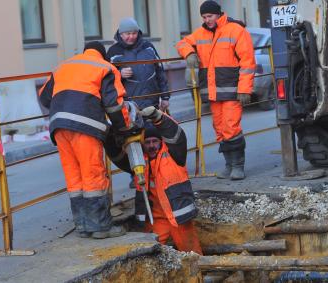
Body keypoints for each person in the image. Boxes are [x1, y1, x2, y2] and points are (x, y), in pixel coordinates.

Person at [38, 41, 131, 239]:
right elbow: (114, 105)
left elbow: (44, 97)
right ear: (102, 55)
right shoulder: (106, 68)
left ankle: (82, 225)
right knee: (93, 174)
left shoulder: (64, 66)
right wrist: (123, 129)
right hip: (85, 125)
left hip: (59, 126)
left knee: (74, 176)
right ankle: (100, 228)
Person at [104, 106, 203, 255]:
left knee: (192, 253)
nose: (151, 146)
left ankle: (198, 274)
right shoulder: (139, 161)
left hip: (178, 217)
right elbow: (117, 156)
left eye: (154, 141)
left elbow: (177, 134)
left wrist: (159, 117)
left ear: (161, 141)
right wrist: (108, 136)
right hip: (156, 218)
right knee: (152, 254)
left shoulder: (174, 154)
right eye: (147, 142)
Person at [176, 0, 255, 180]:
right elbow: (181, 43)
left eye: (209, 16)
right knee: (219, 129)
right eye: (204, 17)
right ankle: (229, 165)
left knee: (231, 127)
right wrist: (189, 53)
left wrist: (244, 89)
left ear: (219, 14)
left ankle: (237, 166)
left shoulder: (236, 30)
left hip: (232, 90)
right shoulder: (201, 33)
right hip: (213, 92)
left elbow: (248, 63)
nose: (207, 20)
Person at [107, 17, 170, 188]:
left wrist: (165, 97)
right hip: (129, 108)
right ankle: (136, 175)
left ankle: (158, 172)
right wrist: (119, 73)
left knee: (153, 139)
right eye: (127, 34)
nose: (131, 37)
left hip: (151, 102)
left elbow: (160, 72)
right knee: (132, 142)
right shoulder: (113, 52)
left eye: (134, 33)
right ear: (120, 34)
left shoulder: (148, 47)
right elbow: (106, 80)